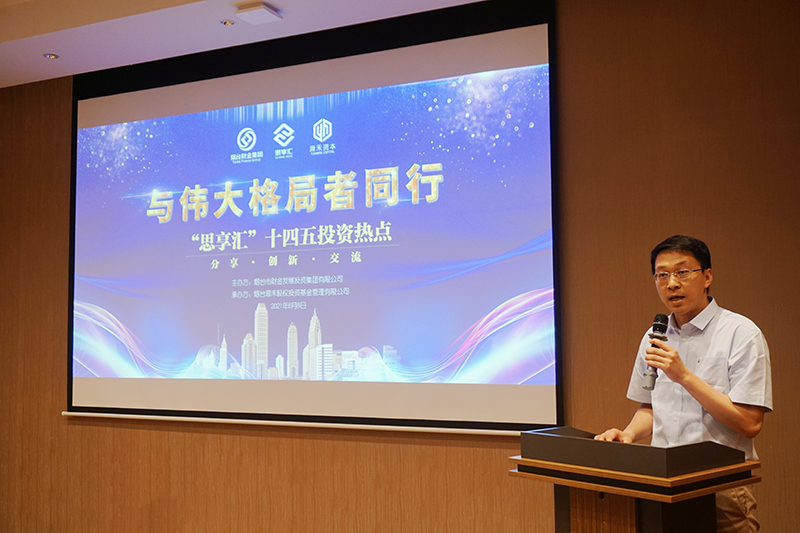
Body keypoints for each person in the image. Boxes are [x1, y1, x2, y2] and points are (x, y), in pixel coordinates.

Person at [595, 235, 772, 533]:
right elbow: (651, 406)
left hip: (720, 487)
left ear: (707, 277)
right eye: (662, 275)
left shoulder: (741, 334)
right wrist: (628, 434)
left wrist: (685, 377)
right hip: (662, 482)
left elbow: (750, 423)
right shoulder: (654, 335)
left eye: (682, 272)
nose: (672, 283)